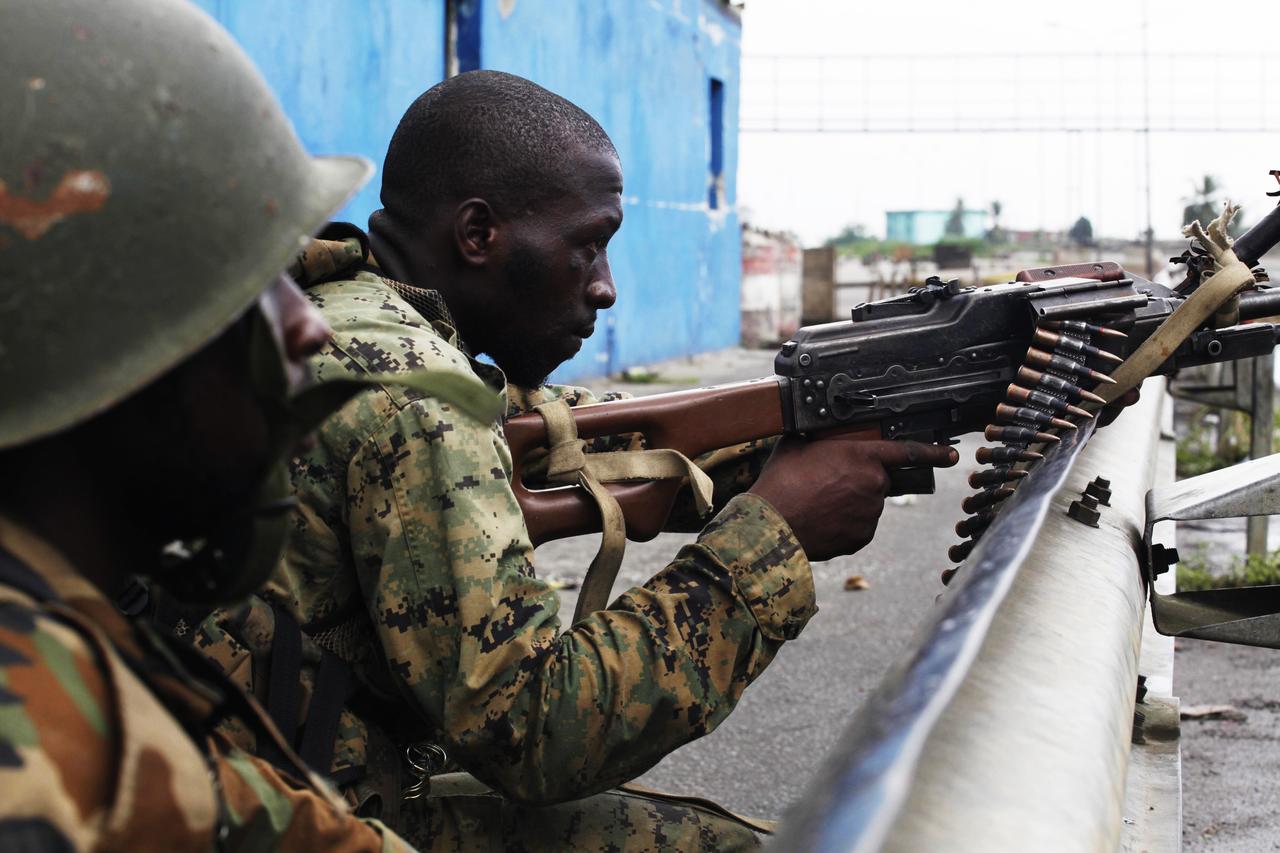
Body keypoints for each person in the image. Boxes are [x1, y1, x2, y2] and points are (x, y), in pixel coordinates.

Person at [188, 70, 958, 850]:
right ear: (479, 234)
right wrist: (773, 538)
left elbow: (567, 438)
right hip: (282, 818)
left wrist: (791, 433)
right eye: (586, 246)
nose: (607, 287)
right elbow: (532, 734)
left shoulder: (338, 317)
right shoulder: (421, 400)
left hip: (228, 778)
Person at [0, 0, 435, 848]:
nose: (310, 324)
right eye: (255, 282)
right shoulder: (39, 764)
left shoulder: (75, 642)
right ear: (99, 333)